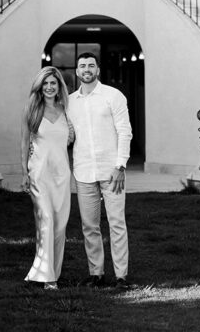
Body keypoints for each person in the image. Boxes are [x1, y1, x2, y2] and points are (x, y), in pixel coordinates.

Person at [67, 51, 132, 290]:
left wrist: (120, 165)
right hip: (83, 172)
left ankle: (121, 277)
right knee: (89, 226)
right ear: (77, 71)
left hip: (111, 171)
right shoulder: (70, 101)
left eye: (91, 65)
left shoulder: (113, 96)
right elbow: (69, 134)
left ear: (98, 70)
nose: (86, 69)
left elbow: (125, 131)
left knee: (116, 224)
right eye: (82, 65)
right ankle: (96, 274)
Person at [21, 65, 74, 290]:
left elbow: (71, 140)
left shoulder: (67, 111)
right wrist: (24, 172)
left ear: (59, 86)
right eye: (46, 83)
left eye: (53, 83)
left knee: (60, 226)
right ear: (40, 87)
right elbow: (24, 142)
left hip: (62, 175)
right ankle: (46, 276)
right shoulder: (32, 110)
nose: (50, 87)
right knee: (46, 221)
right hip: (39, 174)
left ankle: (54, 270)